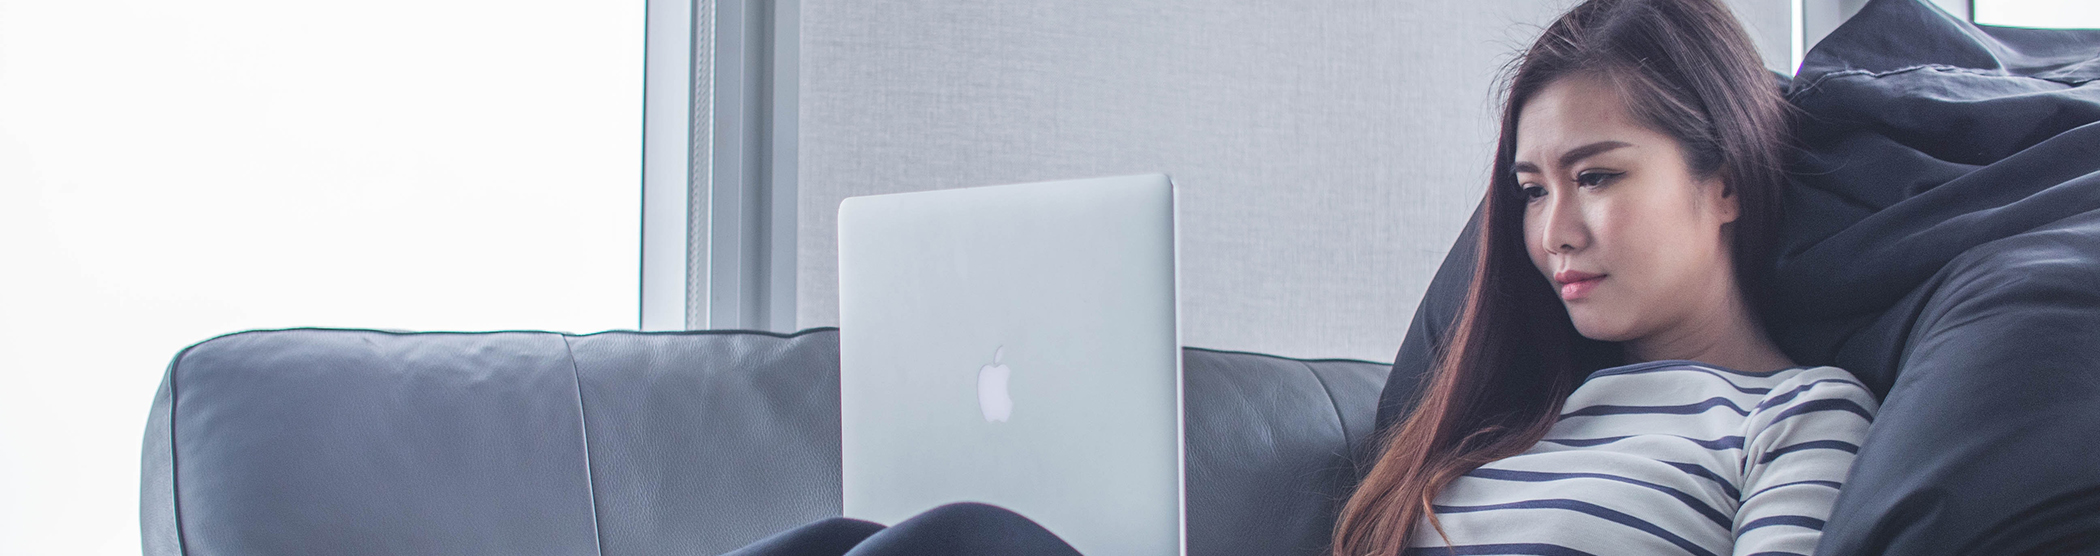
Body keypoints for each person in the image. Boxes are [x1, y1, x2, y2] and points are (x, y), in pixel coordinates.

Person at [730, 0, 1876, 554]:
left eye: (1598, 176)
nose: (1552, 229)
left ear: (1725, 177)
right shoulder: (1521, 414)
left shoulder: (1795, 416)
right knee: (877, 535)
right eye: (1530, 187)